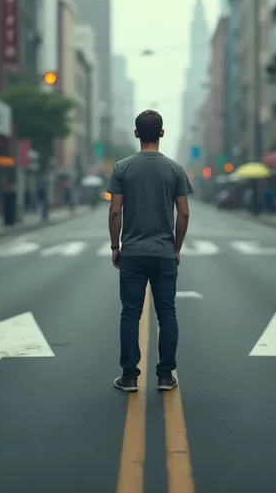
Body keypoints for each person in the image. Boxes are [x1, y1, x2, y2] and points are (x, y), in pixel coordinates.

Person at [107, 109, 193, 393]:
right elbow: (183, 213)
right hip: (164, 252)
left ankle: (129, 377)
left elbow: (115, 210)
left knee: (130, 314)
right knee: (167, 313)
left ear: (136, 133)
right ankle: (166, 375)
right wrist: (176, 247)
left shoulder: (122, 167)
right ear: (162, 133)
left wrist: (116, 246)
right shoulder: (175, 169)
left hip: (132, 252)